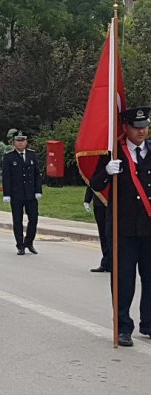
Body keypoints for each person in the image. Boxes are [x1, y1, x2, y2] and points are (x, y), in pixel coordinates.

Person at [90, 106, 151, 347]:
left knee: (150, 278)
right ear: (125, 128)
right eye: (137, 127)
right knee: (123, 280)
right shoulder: (113, 152)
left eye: (144, 126)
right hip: (123, 229)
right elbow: (95, 183)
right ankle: (123, 327)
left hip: (148, 228)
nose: (142, 131)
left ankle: (148, 323)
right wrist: (107, 170)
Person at [1, 131, 43, 255]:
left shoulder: (32, 155)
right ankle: (20, 245)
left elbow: (37, 174)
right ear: (14, 142)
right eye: (18, 140)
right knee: (17, 220)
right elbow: (6, 177)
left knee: (33, 218)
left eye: (22, 140)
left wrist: (38, 190)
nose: (20, 143)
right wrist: (6, 194)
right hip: (16, 194)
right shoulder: (9, 156)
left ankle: (29, 242)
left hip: (30, 193)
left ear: (26, 142)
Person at [84, 186, 111, 272]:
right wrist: (87, 199)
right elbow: (92, 180)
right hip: (99, 202)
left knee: (112, 234)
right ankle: (106, 262)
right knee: (103, 233)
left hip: (114, 202)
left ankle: (113, 262)